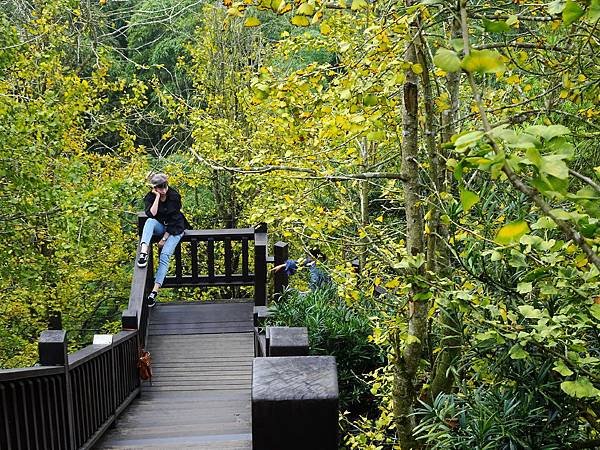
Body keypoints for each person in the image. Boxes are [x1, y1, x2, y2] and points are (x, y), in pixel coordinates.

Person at [137, 173, 190, 307]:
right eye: (160, 187)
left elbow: (174, 220)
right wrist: (156, 197)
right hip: (162, 226)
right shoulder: (150, 197)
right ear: (154, 188)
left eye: (165, 185)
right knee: (149, 222)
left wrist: (164, 239)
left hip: (175, 229)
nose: (164, 189)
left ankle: (154, 292)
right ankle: (143, 252)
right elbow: (152, 214)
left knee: (165, 255)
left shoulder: (174, 197)